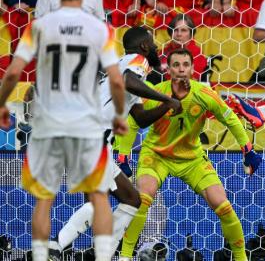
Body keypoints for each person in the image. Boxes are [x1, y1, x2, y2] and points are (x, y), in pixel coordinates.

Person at [0, 0, 128, 261]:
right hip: (87, 122)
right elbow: (117, 78)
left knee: (44, 199)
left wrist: (2, 104)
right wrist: (120, 115)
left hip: (49, 122)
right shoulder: (100, 29)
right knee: (99, 197)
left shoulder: (40, 27)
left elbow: (13, 73)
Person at [119, 49, 262, 261]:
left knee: (222, 205)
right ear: (169, 70)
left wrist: (248, 150)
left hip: (191, 158)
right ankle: (125, 256)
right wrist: (123, 156)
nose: (181, 69)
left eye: (185, 64)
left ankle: (241, 258)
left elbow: (230, 119)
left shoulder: (204, 94)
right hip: (157, 154)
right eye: (176, 65)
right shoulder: (157, 93)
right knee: (143, 198)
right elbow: (132, 122)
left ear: (193, 69)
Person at [55, 27, 184, 256]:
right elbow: (129, 81)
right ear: (144, 46)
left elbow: (141, 118)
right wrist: (166, 97)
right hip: (93, 136)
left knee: (132, 199)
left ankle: (101, 254)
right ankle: (55, 246)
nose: (155, 47)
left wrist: (168, 105)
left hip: (91, 138)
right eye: (152, 42)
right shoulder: (138, 61)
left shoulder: (122, 66)